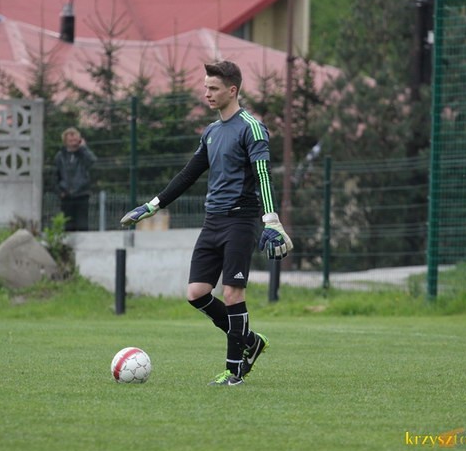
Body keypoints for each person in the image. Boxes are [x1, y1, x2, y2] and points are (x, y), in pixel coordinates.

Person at [121, 60, 293, 386]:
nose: (207, 94)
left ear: (232, 90)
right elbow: (188, 174)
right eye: (205, 88)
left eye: (213, 88)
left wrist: (271, 220)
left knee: (232, 293)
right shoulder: (212, 132)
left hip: (241, 220)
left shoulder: (251, 128)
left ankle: (234, 372)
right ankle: (250, 341)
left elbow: (263, 175)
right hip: (212, 221)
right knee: (197, 293)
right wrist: (152, 205)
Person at [54, 127, 97, 231]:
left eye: (75, 139)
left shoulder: (83, 154)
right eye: (70, 139)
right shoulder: (60, 156)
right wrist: (60, 191)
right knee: (68, 225)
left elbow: (92, 162)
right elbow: (55, 175)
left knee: (82, 224)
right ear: (65, 141)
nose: (73, 141)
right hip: (66, 195)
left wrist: (83, 148)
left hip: (82, 194)